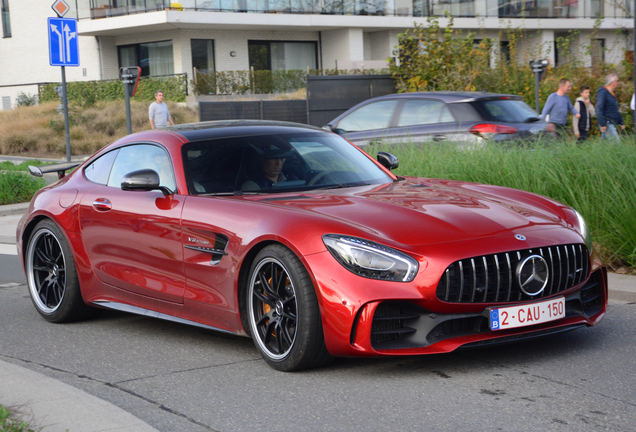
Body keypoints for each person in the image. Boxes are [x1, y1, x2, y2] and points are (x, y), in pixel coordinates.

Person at [596, 73, 625, 140]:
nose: (618, 82)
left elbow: (615, 110)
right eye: (617, 81)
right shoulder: (602, 93)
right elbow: (599, 108)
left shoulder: (612, 94)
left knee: (604, 146)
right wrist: (602, 124)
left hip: (610, 123)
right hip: (607, 123)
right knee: (617, 145)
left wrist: (621, 122)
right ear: (612, 83)